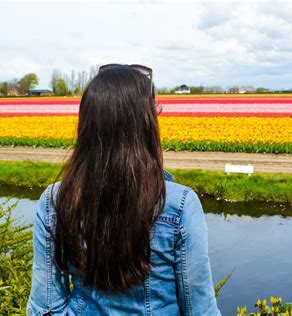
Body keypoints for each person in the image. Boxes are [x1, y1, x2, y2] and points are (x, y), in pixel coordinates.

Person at [27, 64, 221, 315]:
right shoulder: (180, 204)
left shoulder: (55, 201)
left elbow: (45, 308)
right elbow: (200, 310)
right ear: (147, 125)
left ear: (87, 124)